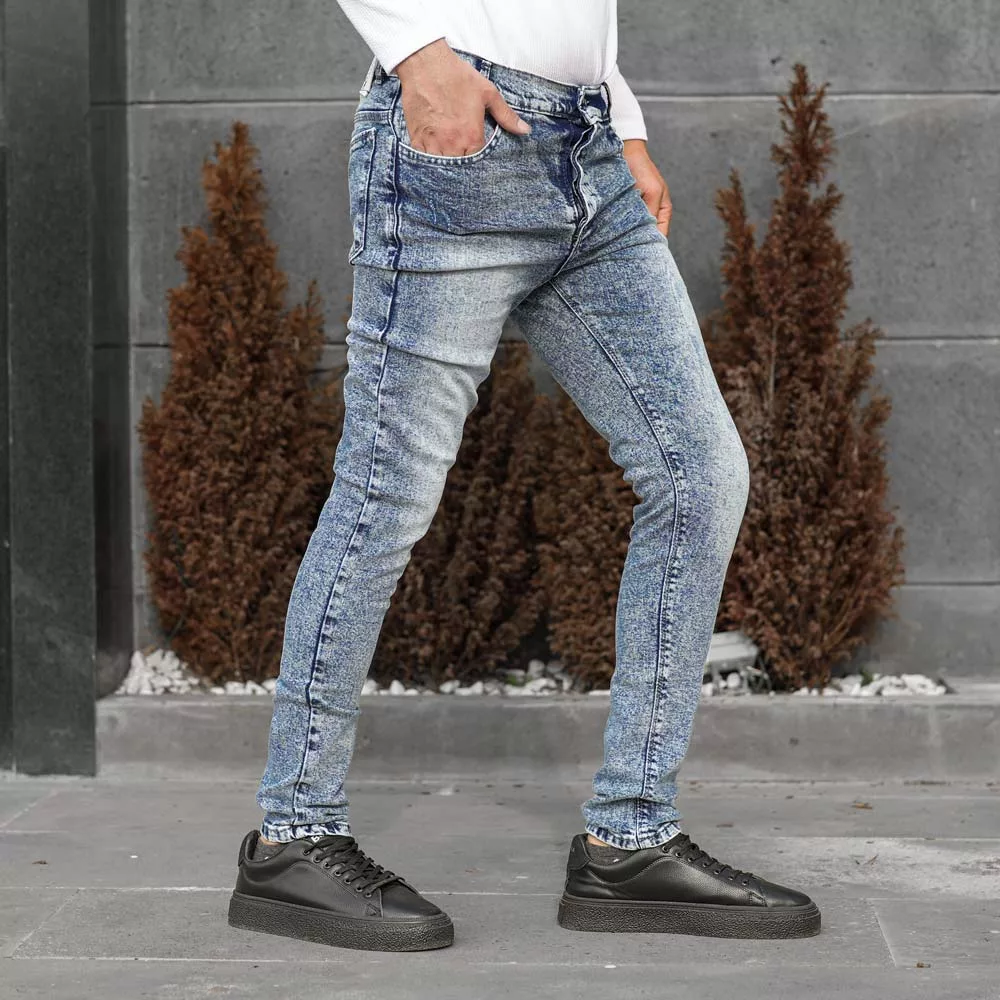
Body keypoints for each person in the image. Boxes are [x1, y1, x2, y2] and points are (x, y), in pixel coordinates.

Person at [228, 0, 820, 951]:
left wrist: (623, 122)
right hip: (461, 151)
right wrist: (418, 57)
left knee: (703, 475)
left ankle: (630, 838)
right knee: (384, 498)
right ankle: (292, 836)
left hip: (589, 156)